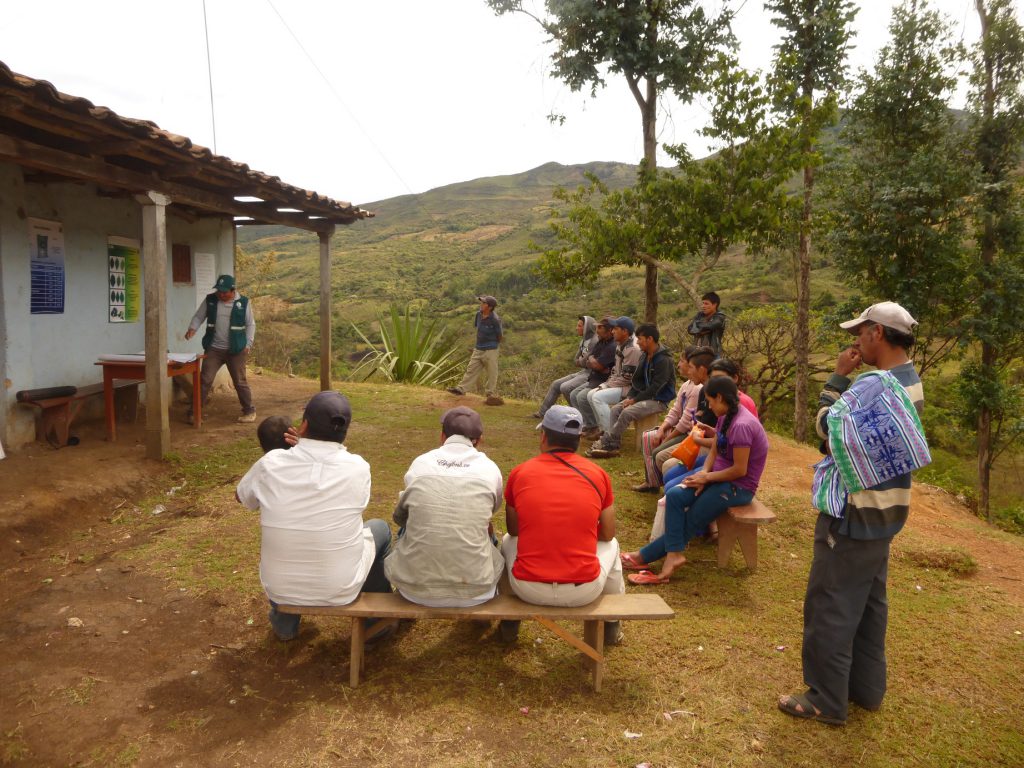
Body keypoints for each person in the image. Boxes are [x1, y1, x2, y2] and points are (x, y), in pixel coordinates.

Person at [779, 301, 924, 727]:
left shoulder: (873, 385)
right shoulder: (910, 380)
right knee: (868, 603)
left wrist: (839, 376)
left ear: (878, 333)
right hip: (887, 514)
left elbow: (828, 433)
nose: (855, 341)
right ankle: (865, 689)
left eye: (860, 333)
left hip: (854, 513)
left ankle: (825, 698)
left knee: (831, 602)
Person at [235, 391, 394, 642]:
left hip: (280, 588)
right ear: (344, 431)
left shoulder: (270, 463)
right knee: (380, 529)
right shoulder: (358, 467)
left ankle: (285, 626)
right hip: (340, 588)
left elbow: (242, 498)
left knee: (293, 541)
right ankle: (377, 625)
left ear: (304, 424)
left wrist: (297, 451)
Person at [620, 376, 769, 583]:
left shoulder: (742, 425)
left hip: (737, 487)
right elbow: (717, 447)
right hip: (717, 477)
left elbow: (739, 470)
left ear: (719, 397)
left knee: (692, 520)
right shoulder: (726, 415)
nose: (708, 405)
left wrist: (707, 477)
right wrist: (703, 474)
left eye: (709, 400)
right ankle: (673, 555)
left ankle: (643, 556)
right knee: (675, 495)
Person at [499, 405, 625, 645]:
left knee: (507, 540)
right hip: (584, 590)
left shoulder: (520, 473)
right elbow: (608, 534)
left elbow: (514, 529)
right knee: (614, 545)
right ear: (578, 440)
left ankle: (509, 622)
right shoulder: (598, 474)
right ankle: (611, 625)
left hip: (527, 588)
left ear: (544, 436)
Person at [384, 406, 504, 607]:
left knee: (411, 523)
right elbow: (491, 510)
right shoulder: (490, 469)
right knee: (484, 528)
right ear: (480, 440)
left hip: (413, 589)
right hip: (477, 590)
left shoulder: (421, 463)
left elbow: (400, 517)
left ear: (442, 436)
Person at [588, 323, 676, 459]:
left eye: (640, 339)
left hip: (659, 400)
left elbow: (656, 387)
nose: (638, 342)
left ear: (650, 339)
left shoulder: (664, 360)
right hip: (644, 397)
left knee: (627, 412)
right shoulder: (645, 356)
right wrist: (630, 397)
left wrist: (635, 400)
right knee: (617, 409)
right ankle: (614, 445)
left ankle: (606, 442)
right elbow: (637, 381)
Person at [185, 274, 257, 423]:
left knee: (240, 381)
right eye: (219, 291)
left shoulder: (243, 302)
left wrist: (248, 344)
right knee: (204, 380)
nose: (221, 294)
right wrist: (192, 328)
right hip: (214, 349)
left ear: (233, 290)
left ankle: (249, 411)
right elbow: (199, 316)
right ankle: (194, 412)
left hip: (236, 350)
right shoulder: (210, 300)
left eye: (224, 292)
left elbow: (251, 324)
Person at [633, 347, 701, 492]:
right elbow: (675, 411)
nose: (678, 365)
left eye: (682, 361)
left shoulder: (697, 389)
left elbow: (685, 421)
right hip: (680, 429)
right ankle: (651, 482)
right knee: (649, 437)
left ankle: (664, 485)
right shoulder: (686, 385)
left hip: (687, 433)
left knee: (659, 452)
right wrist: (663, 429)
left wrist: (669, 437)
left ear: (691, 364)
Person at [578, 317, 641, 439]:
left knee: (597, 397)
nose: (613, 332)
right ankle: (603, 430)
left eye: (616, 329)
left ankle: (610, 435)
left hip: (632, 388)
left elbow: (627, 378)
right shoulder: (620, 344)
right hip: (620, 384)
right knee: (591, 394)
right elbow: (615, 371)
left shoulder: (632, 348)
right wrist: (606, 384)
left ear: (625, 331)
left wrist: (606, 385)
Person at [532, 315, 597, 419]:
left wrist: (581, 361)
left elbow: (584, 362)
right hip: (583, 371)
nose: (577, 328)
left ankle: (580, 416)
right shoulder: (583, 341)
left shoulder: (594, 341)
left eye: (580, 326)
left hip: (591, 373)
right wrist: (582, 361)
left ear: (587, 328)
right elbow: (576, 360)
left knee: (566, 387)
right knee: (556, 384)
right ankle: (542, 413)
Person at [447, 295, 504, 406]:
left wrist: (492, 346)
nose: (481, 304)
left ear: (490, 307)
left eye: (483, 303)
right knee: (471, 369)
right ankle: (461, 389)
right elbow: (478, 329)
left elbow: (500, 336)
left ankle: (490, 394)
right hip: (478, 347)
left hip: (491, 349)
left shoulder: (495, 320)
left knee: (492, 372)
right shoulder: (478, 315)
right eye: (481, 302)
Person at [568, 317, 617, 415]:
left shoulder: (612, 346)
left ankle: (593, 425)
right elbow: (589, 361)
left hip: (603, 380)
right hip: (594, 377)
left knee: (581, 396)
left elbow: (597, 366)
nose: (597, 330)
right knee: (573, 394)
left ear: (609, 330)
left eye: (599, 328)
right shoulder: (601, 342)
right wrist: (592, 360)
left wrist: (592, 361)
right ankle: (586, 422)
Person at [686, 291, 726, 357]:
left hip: (713, 354)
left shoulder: (719, 317)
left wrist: (697, 326)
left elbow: (711, 326)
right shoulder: (700, 315)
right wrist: (702, 328)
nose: (703, 306)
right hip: (697, 353)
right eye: (703, 303)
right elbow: (690, 329)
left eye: (706, 304)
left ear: (714, 305)